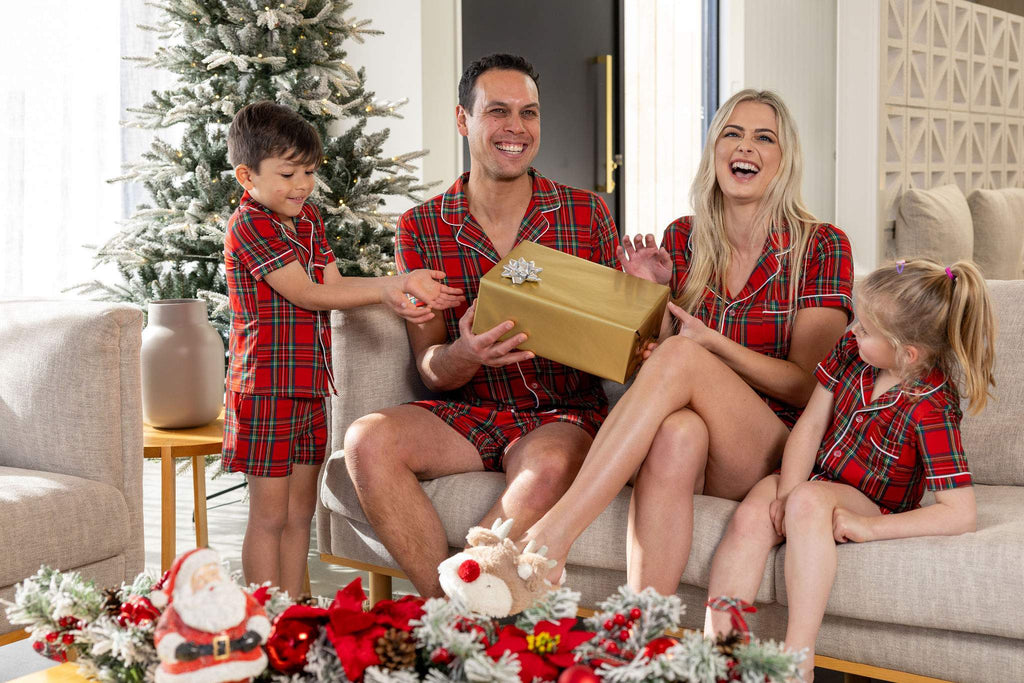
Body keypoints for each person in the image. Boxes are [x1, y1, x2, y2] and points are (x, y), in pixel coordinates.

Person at [519, 89, 854, 595]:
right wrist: (648, 301)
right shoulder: (681, 238)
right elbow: (650, 368)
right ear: (714, 150)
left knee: (685, 355)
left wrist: (710, 345)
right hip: (703, 450)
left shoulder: (822, 245)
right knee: (678, 431)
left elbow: (809, 387)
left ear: (784, 160)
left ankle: (551, 537)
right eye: (732, 134)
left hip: (779, 450)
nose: (745, 147)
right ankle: (644, 633)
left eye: (764, 138)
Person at [343, 53, 621, 598]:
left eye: (529, 113)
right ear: (462, 119)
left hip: (562, 413)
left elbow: (620, 345)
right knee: (366, 440)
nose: (516, 128)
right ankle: (452, 612)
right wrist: (465, 352)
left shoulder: (587, 214)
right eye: (498, 111)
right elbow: (431, 369)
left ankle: (460, 615)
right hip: (469, 410)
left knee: (545, 467)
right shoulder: (422, 225)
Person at [705, 259, 994, 682]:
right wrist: (785, 493)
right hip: (822, 477)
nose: (852, 329)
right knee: (754, 512)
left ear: (906, 353)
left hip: (873, 503)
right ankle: (720, 657)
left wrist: (868, 528)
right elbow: (810, 426)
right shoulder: (850, 353)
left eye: (866, 328)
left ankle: (797, 660)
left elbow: (960, 512)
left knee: (807, 499)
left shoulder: (932, 407)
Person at [222, 101, 463, 598]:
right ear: (247, 176)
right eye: (288, 173)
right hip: (264, 388)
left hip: (311, 386)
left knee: (299, 515)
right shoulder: (250, 225)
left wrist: (398, 293)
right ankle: (264, 619)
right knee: (269, 516)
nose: (303, 185)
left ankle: (295, 614)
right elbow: (307, 293)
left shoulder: (307, 218)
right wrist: (389, 284)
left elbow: (333, 282)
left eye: (309, 172)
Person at [153, 547, 271, 683]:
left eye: (213, 575)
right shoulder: (180, 610)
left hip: (238, 661)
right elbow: (164, 632)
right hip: (195, 669)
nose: (210, 582)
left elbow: (256, 613)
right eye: (201, 580)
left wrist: (255, 633)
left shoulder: (237, 598)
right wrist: (178, 648)